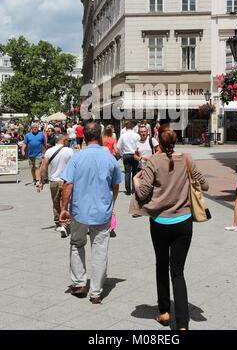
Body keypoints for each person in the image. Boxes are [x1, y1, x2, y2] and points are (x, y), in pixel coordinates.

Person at [130, 126, 209, 330]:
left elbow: (143, 192)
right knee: (178, 272)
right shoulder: (187, 159)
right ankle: (182, 324)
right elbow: (205, 185)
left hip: (160, 223)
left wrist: (135, 181)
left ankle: (164, 312)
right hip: (183, 222)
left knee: (161, 266)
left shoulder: (153, 162)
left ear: (159, 142)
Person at [59, 122, 122, 302]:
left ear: (84, 137)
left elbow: (67, 184)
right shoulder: (110, 158)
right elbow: (116, 185)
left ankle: (79, 282)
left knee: (77, 243)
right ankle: (96, 292)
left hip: (79, 210)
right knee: (100, 249)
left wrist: (64, 208)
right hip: (102, 211)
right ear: (100, 136)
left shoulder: (77, 158)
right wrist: (112, 203)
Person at [39, 134, 74, 237]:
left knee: (55, 203)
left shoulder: (49, 151)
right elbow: (75, 166)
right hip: (66, 181)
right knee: (66, 202)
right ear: (63, 140)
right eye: (67, 140)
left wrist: (41, 181)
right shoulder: (69, 151)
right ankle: (65, 223)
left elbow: (43, 167)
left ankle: (58, 223)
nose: (68, 142)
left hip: (54, 181)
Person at [117, 121, 139, 195]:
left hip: (126, 155)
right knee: (135, 172)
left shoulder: (123, 135)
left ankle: (128, 190)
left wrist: (121, 154)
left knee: (127, 172)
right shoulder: (136, 135)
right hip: (134, 154)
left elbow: (118, 147)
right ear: (132, 127)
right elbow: (139, 145)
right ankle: (134, 188)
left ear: (126, 127)